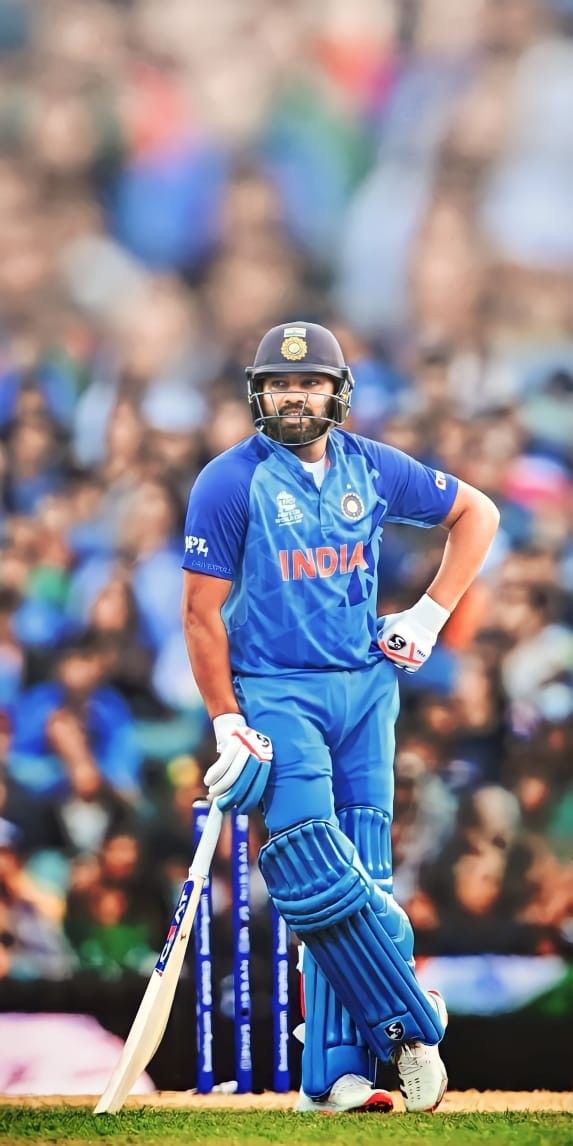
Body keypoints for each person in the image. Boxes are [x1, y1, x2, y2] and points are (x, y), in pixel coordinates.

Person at [181, 322, 499, 1113]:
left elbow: (478, 514)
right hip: (277, 690)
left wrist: (428, 615)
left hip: (366, 689)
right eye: (279, 383)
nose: (293, 394)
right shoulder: (228, 481)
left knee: (363, 873)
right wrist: (225, 716)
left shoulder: (369, 465)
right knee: (315, 875)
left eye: (309, 382)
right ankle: (415, 1021)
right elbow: (198, 613)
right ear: (258, 392)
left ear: (337, 391)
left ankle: (331, 1078)